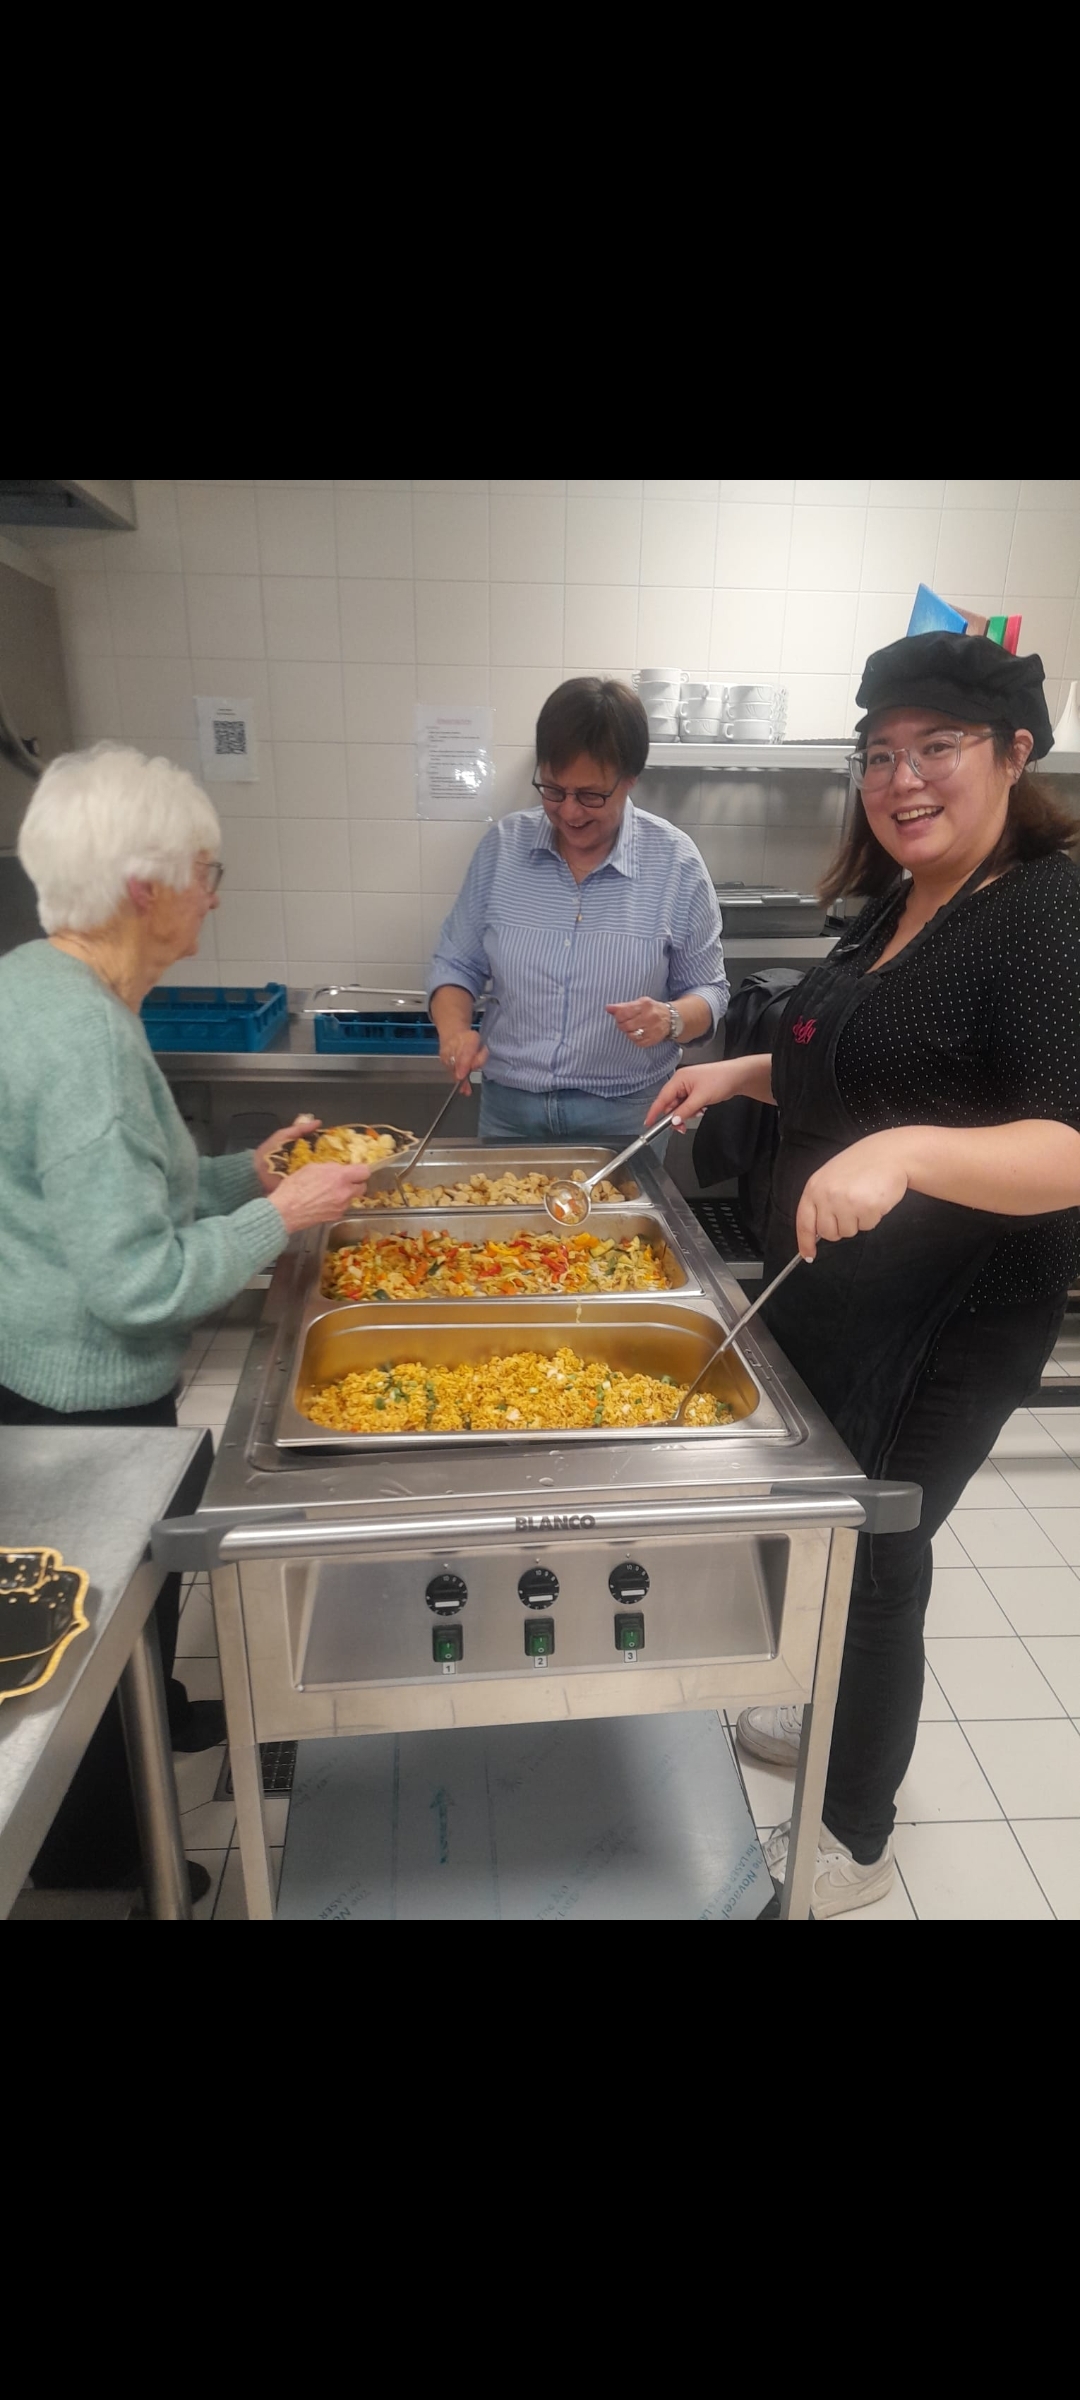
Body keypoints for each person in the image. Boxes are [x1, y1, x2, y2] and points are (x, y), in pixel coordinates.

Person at [647, 632, 1080, 1916]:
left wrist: (905, 1153)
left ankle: (853, 1832)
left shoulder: (1044, 916)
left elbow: (1067, 1146)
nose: (902, 779)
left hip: (953, 1316)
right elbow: (863, 1064)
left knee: (878, 1551)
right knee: (830, 1536)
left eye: (937, 747)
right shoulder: (905, 898)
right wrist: (739, 1073)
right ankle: (821, 1710)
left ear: (1015, 753)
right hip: (847, 1294)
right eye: (880, 753)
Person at [1, 742, 372, 1897]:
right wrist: (284, 1216)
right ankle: (103, 1858)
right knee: (94, 1623)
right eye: (207, 872)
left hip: (37, 1368)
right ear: (144, 887)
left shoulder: (40, 982)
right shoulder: (88, 1043)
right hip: (78, 1396)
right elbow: (135, 1281)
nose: (214, 894)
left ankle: (152, 1708)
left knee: (131, 1602)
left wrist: (241, 1176)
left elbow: (121, 1191)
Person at [427, 677, 728, 1148]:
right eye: (553, 790)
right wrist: (455, 1033)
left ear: (629, 779)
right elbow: (455, 964)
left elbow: (710, 992)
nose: (569, 812)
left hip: (627, 1112)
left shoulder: (675, 861)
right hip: (511, 1110)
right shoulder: (502, 850)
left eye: (591, 795)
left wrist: (670, 1018)